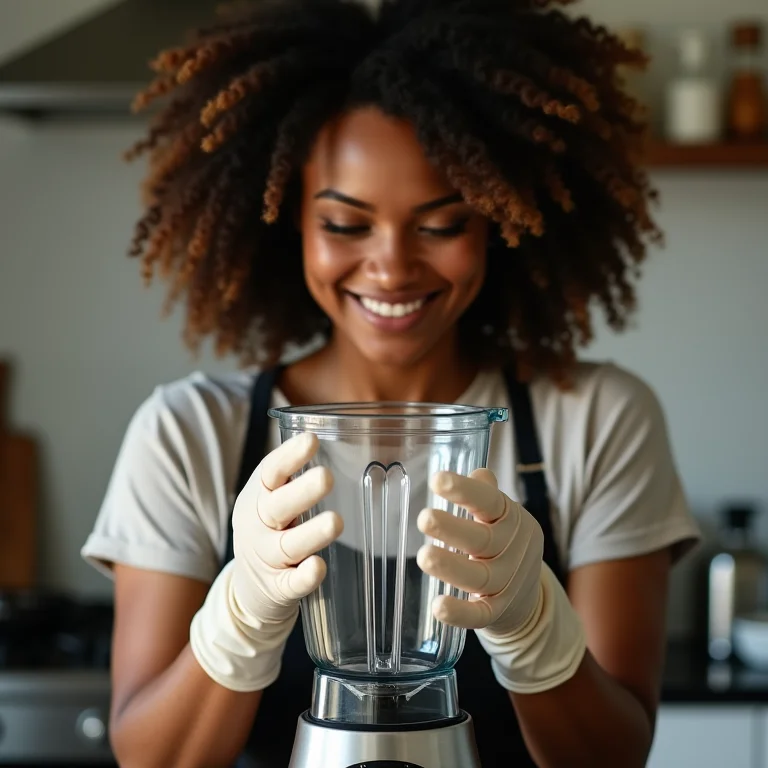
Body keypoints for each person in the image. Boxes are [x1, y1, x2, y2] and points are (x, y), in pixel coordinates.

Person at [81, 0, 702, 765]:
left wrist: (534, 629)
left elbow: (612, 755)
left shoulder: (598, 418)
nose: (392, 268)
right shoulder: (188, 434)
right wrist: (239, 616)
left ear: (502, 222)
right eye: (346, 224)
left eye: (441, 224)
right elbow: (152, 757)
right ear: (286, 219)